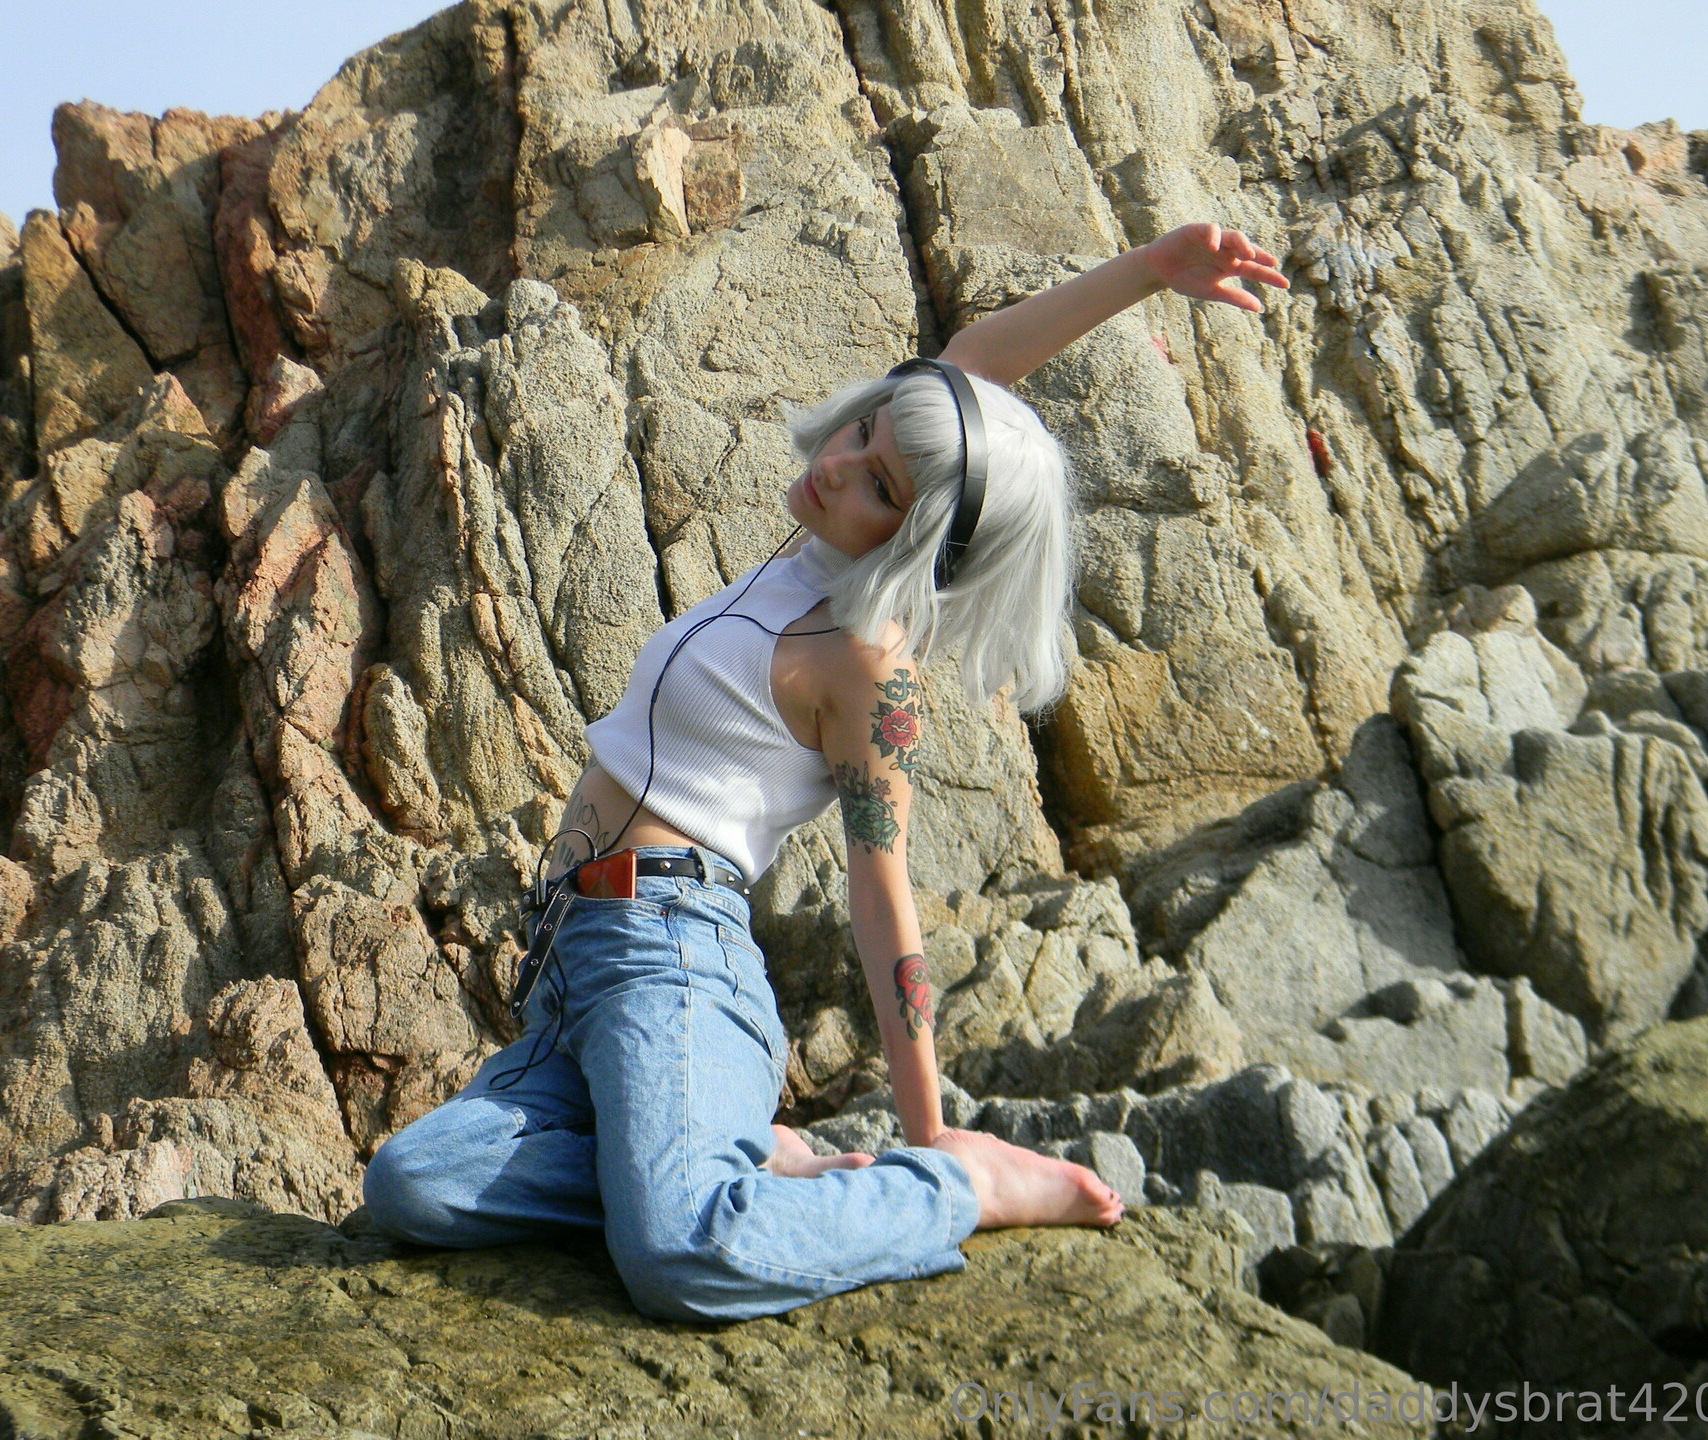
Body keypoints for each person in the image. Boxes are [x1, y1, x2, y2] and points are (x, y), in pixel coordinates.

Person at [361, 223, 1288, 1322]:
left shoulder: (866, 662)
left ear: (923, 546)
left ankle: (953, 1192)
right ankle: (728, 1152)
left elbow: (881, 894)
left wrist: (931, 1132)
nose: (839, 465)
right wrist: (1146, 272)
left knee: (680, 1254)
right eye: (860, 431)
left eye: (880, 485)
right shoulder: (815, 550)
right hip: (574, 959)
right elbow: (972, 363)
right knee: (415, 1185)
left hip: (674, 959)